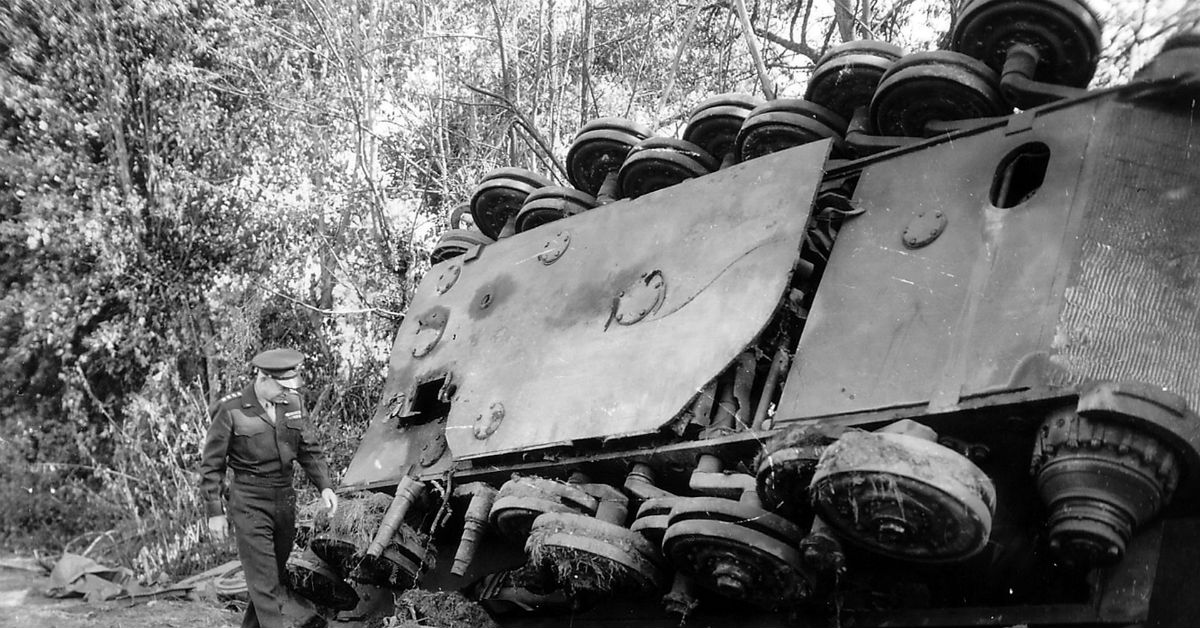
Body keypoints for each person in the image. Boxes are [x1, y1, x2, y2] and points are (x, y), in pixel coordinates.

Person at [200, 348, 339, 628]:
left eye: (290, 386)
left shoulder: (292, 403)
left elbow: (308, 449)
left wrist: (325, 486)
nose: (286, 392)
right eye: (281, 386)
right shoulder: (231, 410)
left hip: (284, 501)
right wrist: (215, 511)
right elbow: (211, 465)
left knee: (269, 579)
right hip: (249, 502)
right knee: (265, 584)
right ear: (263, 377)